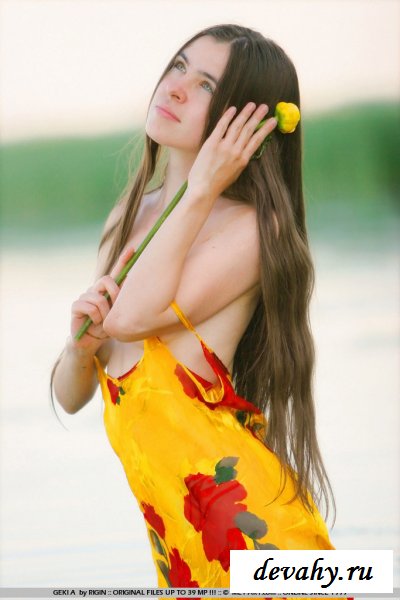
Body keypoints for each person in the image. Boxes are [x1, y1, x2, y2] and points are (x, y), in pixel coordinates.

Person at [52, 24, 337, 589]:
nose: (176, 87)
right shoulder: (127, 216)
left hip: (253, 537)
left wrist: (202, 186)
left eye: (206, 84)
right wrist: (79, 348)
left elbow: (130, 319)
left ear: (243, 121)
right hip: (181, 551)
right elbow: (70, 395)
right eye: (178, 66)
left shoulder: (253, 228)